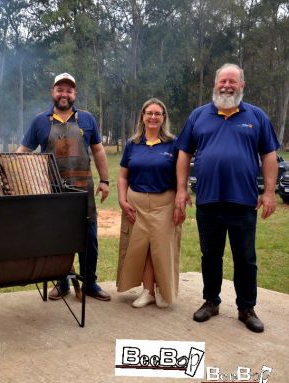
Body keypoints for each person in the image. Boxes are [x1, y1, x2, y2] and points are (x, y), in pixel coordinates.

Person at [175, 63, 279, 333]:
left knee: (245, 257)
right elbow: (184, 153)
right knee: (210, 255)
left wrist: (269, 192)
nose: (227, 86)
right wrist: (182, 189)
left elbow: (269, 155)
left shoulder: (256, 116)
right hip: (208, 200)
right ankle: (211, 301)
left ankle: (247, 308)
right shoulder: (199, 116)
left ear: (242, 85)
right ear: (215, 83)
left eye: (233, 81)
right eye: (223, 81)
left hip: (243, 201)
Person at [17, 72, 111, 301]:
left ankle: (90, 283)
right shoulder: (40, 121)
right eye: (60, 89)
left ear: (74, 94)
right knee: (56, 239)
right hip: (53, 193)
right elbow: (22, 152)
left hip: (83, 192)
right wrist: (14, 175)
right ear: (53, 92)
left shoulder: (87, 119)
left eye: (69, 90)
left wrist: (105, 180)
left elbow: (98, 150)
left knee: (89, 239)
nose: (64, 94)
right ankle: (62, 283)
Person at [116, 98, 182, 308]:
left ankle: (163, 290)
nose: (153, 117)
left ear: (164, 118)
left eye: (158, 113)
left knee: (162, 249)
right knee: (141, 249)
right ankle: (148, 291)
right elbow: (123, 176)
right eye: (149, 113)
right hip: (137, 204)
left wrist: (181, 198)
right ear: (142, 117)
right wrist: (121, 199)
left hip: (165, 204)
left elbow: (182, 176)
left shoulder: (174, 144)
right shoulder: (132, 144)